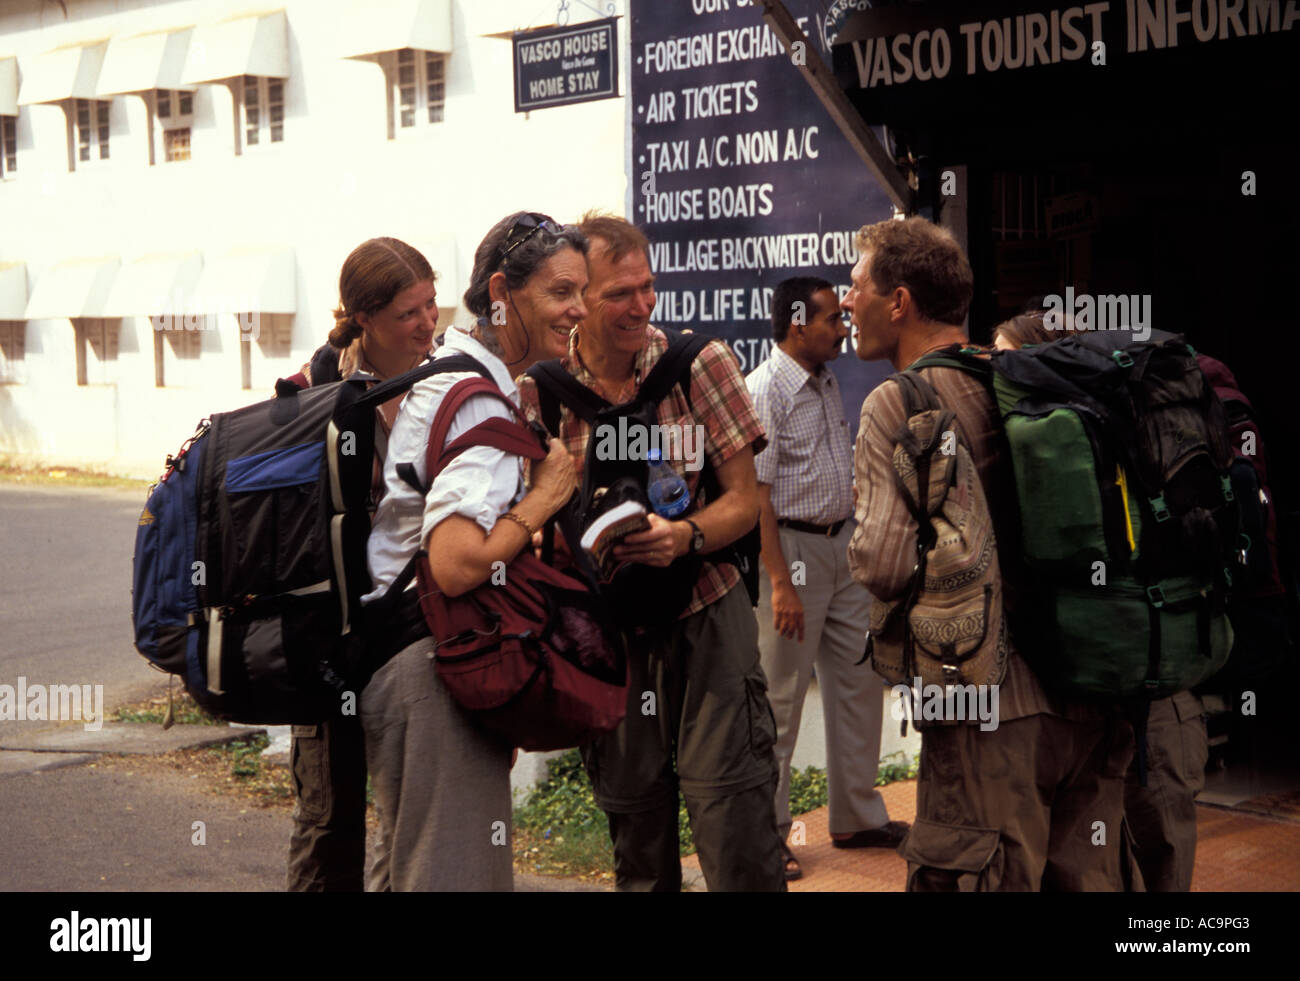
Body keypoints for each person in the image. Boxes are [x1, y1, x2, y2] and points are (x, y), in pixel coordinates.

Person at [846, 216, 1134, 891]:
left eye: (857, 285)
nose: (846, 300)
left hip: (986, 710)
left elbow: (884, 564)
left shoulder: (900, 400)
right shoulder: (1028, 375)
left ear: (900, 302)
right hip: (1092, 687)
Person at [517, 212, 786, 892]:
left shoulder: (699, 364)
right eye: (618, 294)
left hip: (705, 606)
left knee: (736, 820)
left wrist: (683, 536)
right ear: (581, 302)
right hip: (610, 632)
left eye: (647, 287)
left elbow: (744, 500)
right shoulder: (539, 394)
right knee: (636, 826)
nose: (640, 305)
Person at [359, 212, 586, 891]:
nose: (576, 308)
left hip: (398, 657)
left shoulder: (447, 373)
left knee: (409, 866)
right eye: (559, 291)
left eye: (581, 290)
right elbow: (458, 562)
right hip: (432, 662)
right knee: (453, 875)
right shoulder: (475, 402)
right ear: (500, 292)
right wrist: (544, 497)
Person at [992, 310, 1207, 892]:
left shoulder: (1080, 437)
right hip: (1129, 684)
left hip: (1148, 698)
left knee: (1157, 862)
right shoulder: (1090, 431)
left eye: (1009, 359)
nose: (1000, 376)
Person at [283, 236, 441, 892]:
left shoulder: (444, 381)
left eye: (434, 304)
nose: (429, 323)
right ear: (363, 318)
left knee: (406, 819)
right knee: (329, 820)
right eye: (410, 313)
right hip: (331, 633)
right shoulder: (314, 393)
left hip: (410, 628)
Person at [746, 275, 906, 882]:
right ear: (796, 323)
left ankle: (857, 817)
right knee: (781, 700)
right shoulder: (765, 389)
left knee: (861, 682)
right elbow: (756, 497)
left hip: (840, 545)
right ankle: (769, 835)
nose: (843, 328)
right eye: (831, 320)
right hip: (791, 551)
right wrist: (780, 583)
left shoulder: (825, 378)